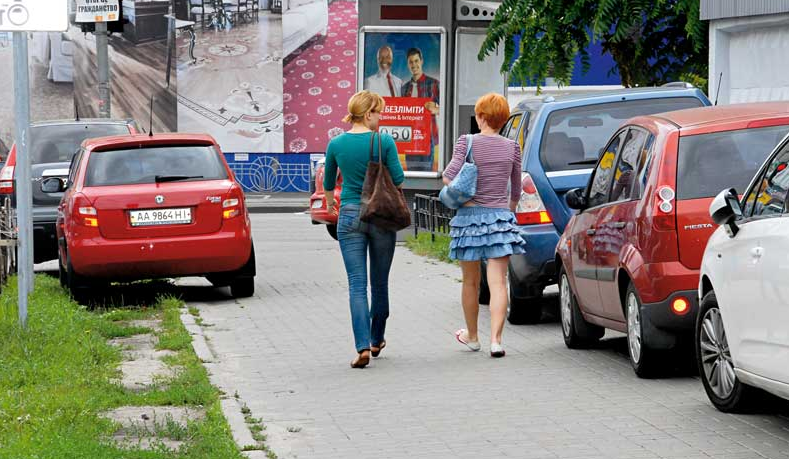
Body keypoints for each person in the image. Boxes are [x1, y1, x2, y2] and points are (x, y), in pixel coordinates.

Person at [323, 90, 405, 369]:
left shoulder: (336, 143)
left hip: (349, 214)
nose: (380, 117)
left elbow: (329, 183)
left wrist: (332, 204)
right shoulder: (383, 141)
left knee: (356, 284)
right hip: (380, 215)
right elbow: (398, 179)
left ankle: (362, 347)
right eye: (378, 112)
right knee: (379, 283)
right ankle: (376, 338)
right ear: (368, 113)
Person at [443, 93, 526, 358]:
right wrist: (507, 212)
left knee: (470, 282)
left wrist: (466, 200)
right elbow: (516, 189)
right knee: (498, 282)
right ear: (503, 119)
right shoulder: (512, 147)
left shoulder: (466, 142)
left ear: (480, 116)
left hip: (468, 220)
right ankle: (496, 341)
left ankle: (472, 337)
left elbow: (448, 176)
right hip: (499, 219)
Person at [400, 47, 440, 172]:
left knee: (427, 174)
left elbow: (446, 108)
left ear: (421, 61)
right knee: (411, 174)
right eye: (411, 62)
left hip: (427, 138)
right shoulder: (404, 88)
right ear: (408, 64)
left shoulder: (434, 83)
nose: (414, 65)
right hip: (410, 138)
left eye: (416, 61)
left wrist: (436, 109)